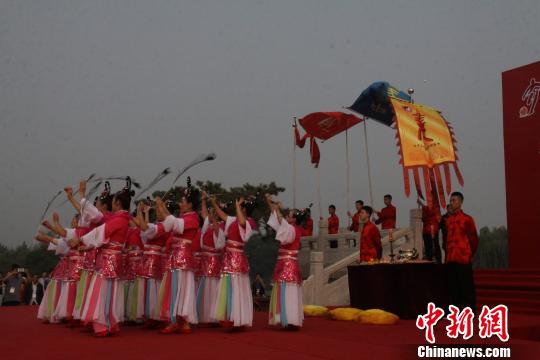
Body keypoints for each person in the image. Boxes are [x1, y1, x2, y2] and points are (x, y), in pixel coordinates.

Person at [73, 178, 134, 337]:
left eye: (114, 202)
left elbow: (101, 233)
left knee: (100, 290)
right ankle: (110, 322)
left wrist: (81, 240)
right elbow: (106, 238)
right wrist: (89, 245)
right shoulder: (123, 220)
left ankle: (101, 325)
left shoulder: (119, 220)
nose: (112, 204)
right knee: (111, 291)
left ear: (117, 204)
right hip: (114, 258)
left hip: (108, 260)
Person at [149, 179, 200, 335]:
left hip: (183, 258)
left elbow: (174, 224)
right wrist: (161, 207)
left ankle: (182, 321)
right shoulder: (184, 217)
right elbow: (168, 224)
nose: (181, 203)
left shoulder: (192, 219)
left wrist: (161, 207)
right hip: (174, 258)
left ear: (190, 204)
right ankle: (174, 320)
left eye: (183, 201)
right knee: (173, 289)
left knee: (182, 289)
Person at [210, 194, 257, 331]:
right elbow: (223, 215)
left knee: (236, 288)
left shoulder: (249, 222)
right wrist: (214, 204)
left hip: (237, 258)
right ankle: (229, 317)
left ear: (244, 210)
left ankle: (237, 318)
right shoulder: (232, 221)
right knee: (228, 287)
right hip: (228, 257)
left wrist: (237, 206)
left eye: (240, 207)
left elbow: (242, 223)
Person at [265, 194, 305, 329]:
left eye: (290, 215)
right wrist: (270, 202)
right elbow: (277, 218)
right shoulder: (288, 228)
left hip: (288, 264)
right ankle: (285, 318)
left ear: (294, 219)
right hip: (284, 263)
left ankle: (291, 319)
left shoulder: (293, 230)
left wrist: (278, 209)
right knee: (285, 291)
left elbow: (280, 220)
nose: (288, 216)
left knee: (289, 292)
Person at [445, 192, 479, 312]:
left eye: (454, 200)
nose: (451, 202)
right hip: (451, 257)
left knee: (466, 285)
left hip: (463, 257)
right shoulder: (448, 220)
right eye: (451, 200)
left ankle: (470, 309)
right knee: (453, 286)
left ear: (460, 202)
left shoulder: (467, 219)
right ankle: (455, 310)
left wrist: (469, 254)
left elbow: (474, 239)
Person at [197, 192, 225, 325]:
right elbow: (204, 214)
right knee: (205, 288)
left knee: (212, 288)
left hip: (213, 261)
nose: (209, 214)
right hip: (205, 260)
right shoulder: (206, 226)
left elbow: (219, 240)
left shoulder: (220, 227)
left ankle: (214, 316)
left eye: (213, 212)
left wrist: (214, 220)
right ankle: (206, 316)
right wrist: (203, 201)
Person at [417, 198, 442, 263]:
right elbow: (424, 217)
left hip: (432, 229)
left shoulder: (436, 206)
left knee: (434, 247)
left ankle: (437, 261)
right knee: (427, 247)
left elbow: (430, 212)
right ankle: (429, 260)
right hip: (426, 230)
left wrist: (421, 204)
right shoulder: (427, 207)